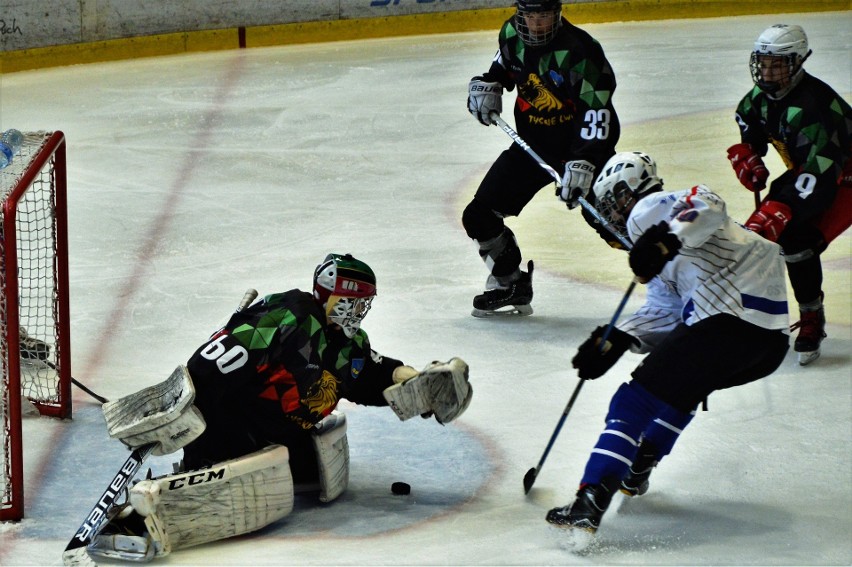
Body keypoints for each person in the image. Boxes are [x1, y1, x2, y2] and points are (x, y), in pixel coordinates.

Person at [86, 253, 473, 562]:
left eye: (362, 304)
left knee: (304, 473)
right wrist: (181, 410)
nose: (358, 312)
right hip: (232, 422)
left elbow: (373, 373)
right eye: (352, 302)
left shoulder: (347, 342)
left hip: (283, 431)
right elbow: (209, 362)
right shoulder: (289, 315)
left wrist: (420, 380)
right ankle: (135, 517)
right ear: (330, 296)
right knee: (211, 486)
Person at [544, 152, 790, 537]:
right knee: (681, 386)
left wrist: (666, 240)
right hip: (768, 342)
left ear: (628, 192)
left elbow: (706, 201)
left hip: (726, 323)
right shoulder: (662, 241)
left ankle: (590, 497)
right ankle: (640, 463)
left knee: (634, 401)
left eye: (611, 202)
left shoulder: (649, 211)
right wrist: (617, 337)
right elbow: (666, 311)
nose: (610, 215)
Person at [464, 0, 620, 317]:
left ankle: (679, 275)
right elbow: (505, 66)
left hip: (582, 152)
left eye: (544, 15)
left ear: (557, 13)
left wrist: (586, 161)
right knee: (478, 216)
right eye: (530, 15)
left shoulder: (581, 50)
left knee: (615, 224)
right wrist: (490, 82)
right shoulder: (510, 33)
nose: (537, 23)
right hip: (533, 148)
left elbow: (597, 110)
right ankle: (510, 284)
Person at [727, 24, 851, 365]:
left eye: (777, 64)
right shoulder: (757, 99)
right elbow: (752, 129)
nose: (767, 72)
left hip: (843, 179)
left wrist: (785, 205)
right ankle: (773, 315)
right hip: (813, 173)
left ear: (798, 63)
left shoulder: (815, 107)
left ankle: (811, 316)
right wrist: (748, 153)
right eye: (763, 63)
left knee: (796, 238)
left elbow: (822, 175)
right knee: (772, 236)